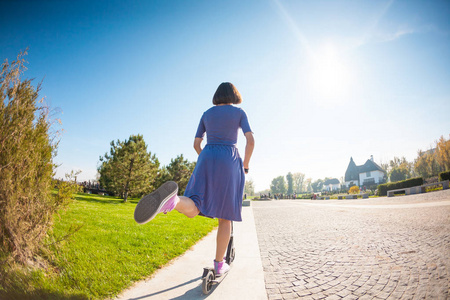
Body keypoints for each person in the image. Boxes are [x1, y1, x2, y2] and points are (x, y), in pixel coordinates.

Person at [134, 82, 255, 277]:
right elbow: (250, 141)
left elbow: (196, 143)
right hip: (229, 159)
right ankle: (218, 265)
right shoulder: (239, 113)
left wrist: (206, 158)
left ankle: (173, 201)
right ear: (234, 95)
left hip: (207, 156)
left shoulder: (206, 114)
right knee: (225, 218)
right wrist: (245, 165)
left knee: (195, 204)